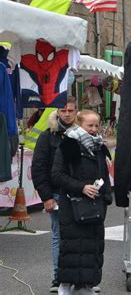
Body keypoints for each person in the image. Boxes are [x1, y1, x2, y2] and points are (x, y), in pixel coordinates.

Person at [51, 110, 112, 294]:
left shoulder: (99, 146)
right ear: (79, 124)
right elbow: (57, 175)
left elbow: (104, 176)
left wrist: (106, 198)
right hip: (72, 206)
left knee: (92, 248)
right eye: (89, 125)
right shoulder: (69, 144)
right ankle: (65, 285)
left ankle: (85, 285)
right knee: (71, 248)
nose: (94, 129)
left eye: (96, 125)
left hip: (95, 206)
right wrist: (81, 187)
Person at [31, 97, 77, 293]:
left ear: (76, 112)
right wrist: (46, 197)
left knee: (80, 236)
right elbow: (39, 168)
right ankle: (59, 277)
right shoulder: (47, 136)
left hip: (80, 194)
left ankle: (81, 278)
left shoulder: (81, 133)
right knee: (59, 235)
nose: (66, 113)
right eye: (63, 110)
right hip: (57, 195)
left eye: (70, 110)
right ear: (57, 112)